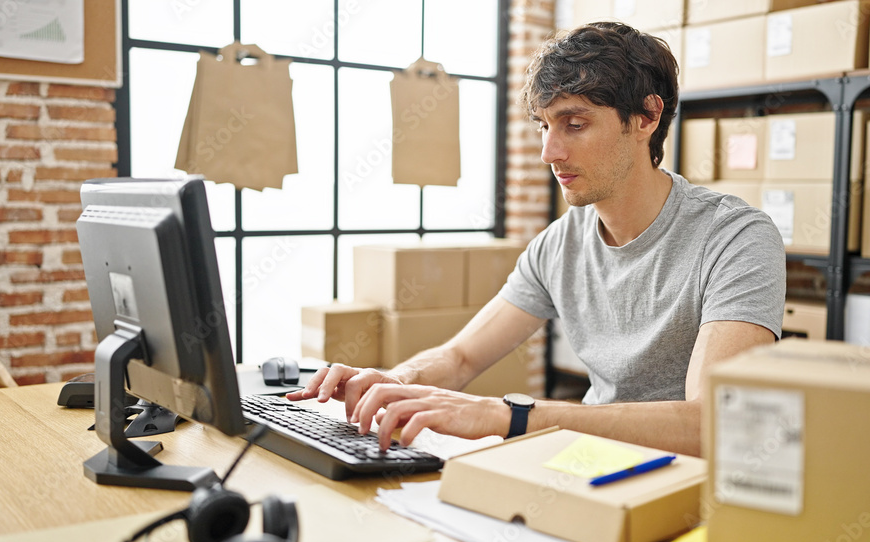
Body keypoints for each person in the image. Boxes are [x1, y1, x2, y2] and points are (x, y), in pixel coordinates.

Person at [287, 22, 785, 457]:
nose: (549, 151)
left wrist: (511, 416)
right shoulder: (557, 245)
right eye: (545, 126)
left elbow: (709, 425)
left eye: (574, 123)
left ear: (647, 117)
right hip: (590, 458)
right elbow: (461, 357)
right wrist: (396, 382)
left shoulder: (735, 238)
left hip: (684, 484)